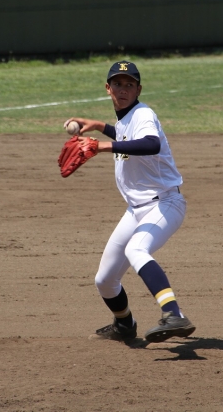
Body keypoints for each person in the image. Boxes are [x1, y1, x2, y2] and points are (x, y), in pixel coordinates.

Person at [65, 60, 195, 343]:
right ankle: (124, 324)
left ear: (139, 89)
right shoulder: (127, 118)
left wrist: (101, 146)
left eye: (129, 85)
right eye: (117, 84)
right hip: (136, 210)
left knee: (137, 249)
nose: (123, 89)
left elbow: (151, 143)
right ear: (108, 88)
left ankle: (174, 314)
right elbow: (124, 134)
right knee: (105, 280)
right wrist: (100, 126)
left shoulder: (143, 113)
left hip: (164, 204)